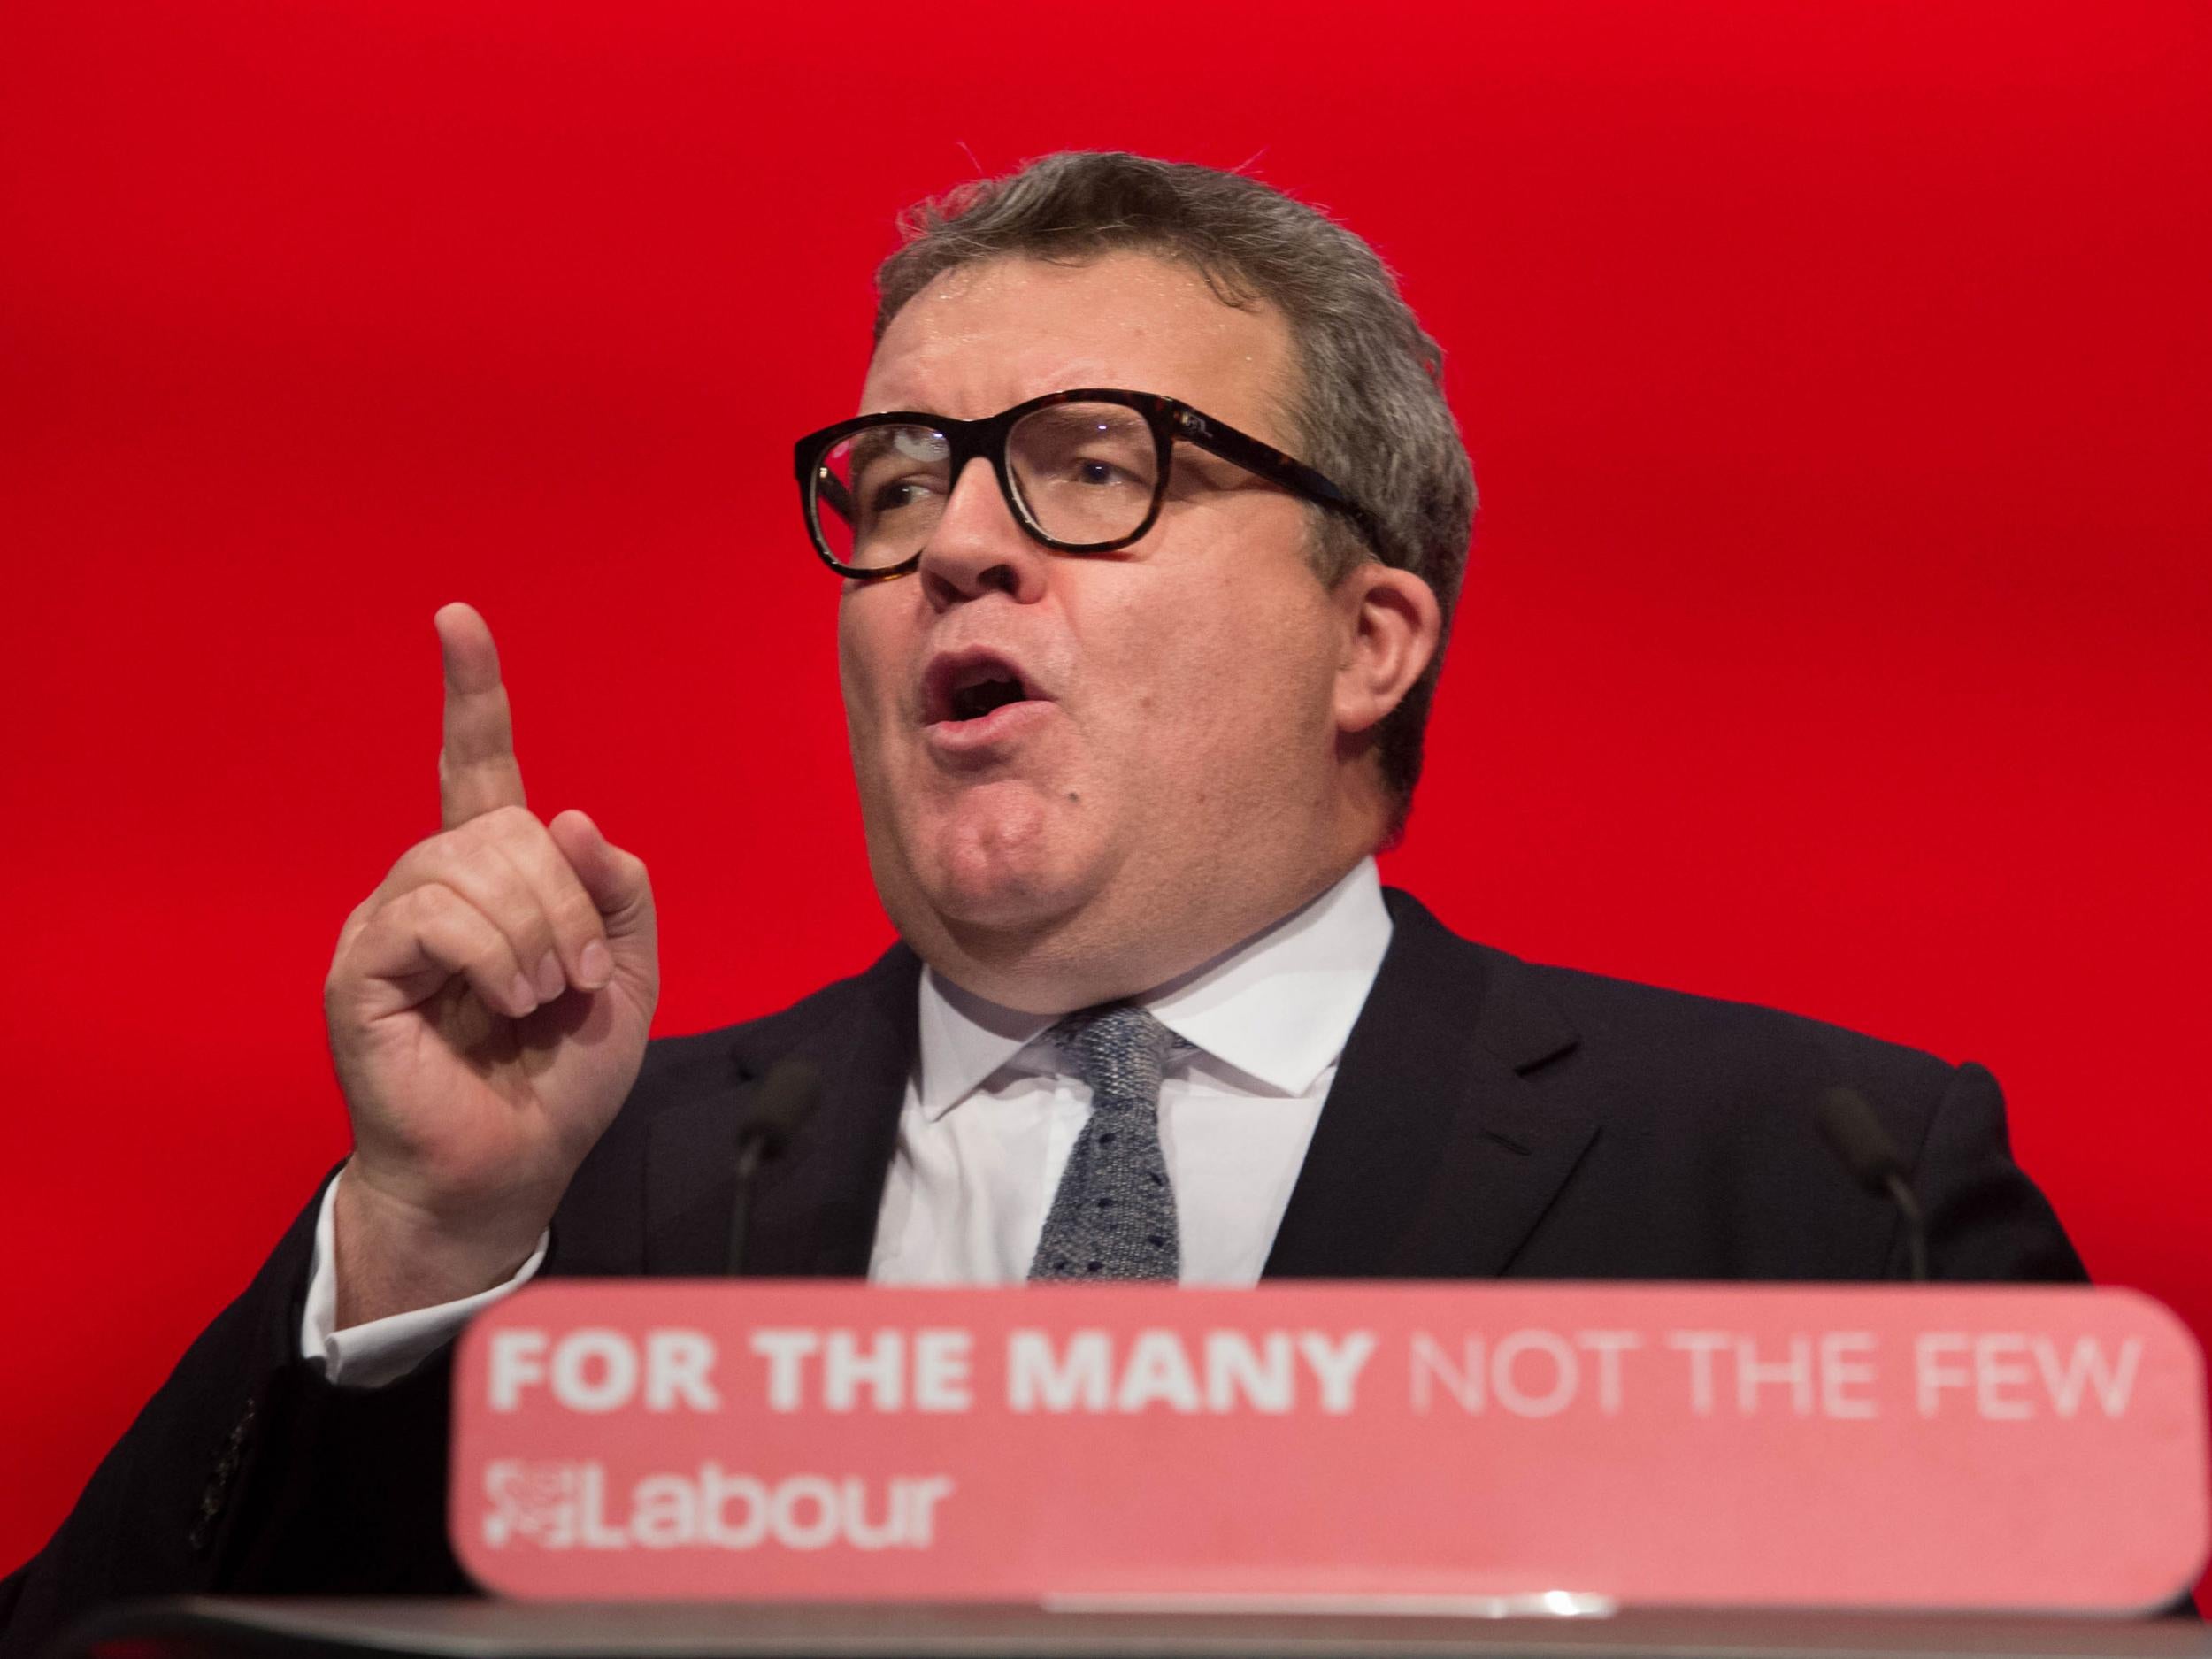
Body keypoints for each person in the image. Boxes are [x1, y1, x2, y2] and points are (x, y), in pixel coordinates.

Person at [0, 151, 2084, 1650]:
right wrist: (424, 1234)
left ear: (1368, 636)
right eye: (898, 480)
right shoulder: (582, 1204)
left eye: (1094, 463)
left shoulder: (1816, 1193)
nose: (955, 545)